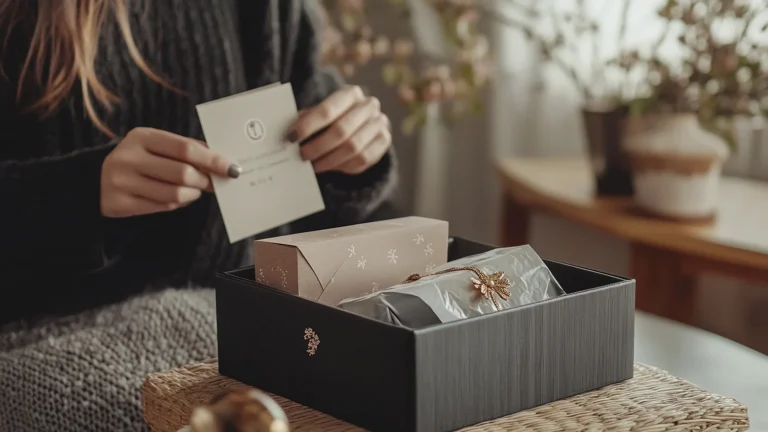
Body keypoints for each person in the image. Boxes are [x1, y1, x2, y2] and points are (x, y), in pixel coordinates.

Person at [0, 0, 397, 430]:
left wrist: (355, 156)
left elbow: (308, 200)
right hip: (42, 338)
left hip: (248, 317)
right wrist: (77, 193)